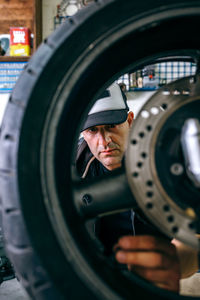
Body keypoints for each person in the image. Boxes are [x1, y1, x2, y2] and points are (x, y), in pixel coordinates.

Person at [76, 82, 198, 293]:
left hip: (163, 279)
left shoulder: (167, 160)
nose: (104, 141)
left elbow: (196, 234)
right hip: (99, 278)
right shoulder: (71, 169)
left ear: (130, 121)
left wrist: (176, 260)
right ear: (83, 134)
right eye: (93, 130)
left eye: (112, 126)